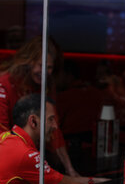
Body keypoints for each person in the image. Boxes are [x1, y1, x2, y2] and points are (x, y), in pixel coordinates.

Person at [0, 94, 107, 184]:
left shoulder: (6, 138)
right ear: (33, 121)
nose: (55, 126)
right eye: (51, 119)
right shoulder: (25, 154)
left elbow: (57, 179)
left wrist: (97, 182)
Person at [0, 36, 79, 176]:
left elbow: (54, 129)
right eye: (41, 65)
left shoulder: (45, 86)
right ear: (28, 62)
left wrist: (70, 170)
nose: (45, 72)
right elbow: (2, 133)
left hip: (29, 158)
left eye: (49, 68)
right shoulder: (5, 83)